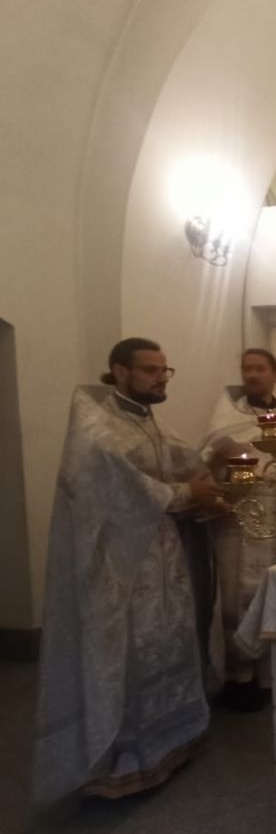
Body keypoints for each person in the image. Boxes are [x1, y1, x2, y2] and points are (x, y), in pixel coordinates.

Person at [33, 338, 224, 802]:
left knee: (166, 642)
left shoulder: (150, 423)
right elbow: (122, 491)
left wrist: (212, 479)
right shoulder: (96, 430)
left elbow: (182, 464)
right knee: (129, 653)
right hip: (118, 566)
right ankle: (123, 763)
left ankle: (172, 743)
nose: (160, 378)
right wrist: (187, 494)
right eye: (150, 370)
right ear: (120, 372)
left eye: (164, 370)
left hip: (163, 559)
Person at [200, 348, 276, 709]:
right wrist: (220, 464)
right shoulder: (226, 421)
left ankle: (269, 676)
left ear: (275, 374)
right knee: (236, 599)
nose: (252, 374)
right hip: (239, 521)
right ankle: (238, 678)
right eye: (247, 368)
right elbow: (206, 466)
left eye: (260, 368)